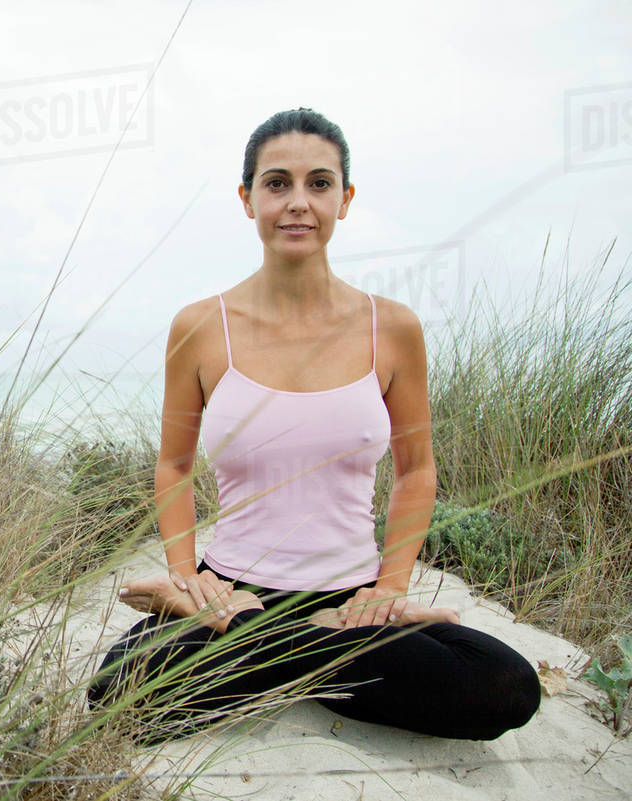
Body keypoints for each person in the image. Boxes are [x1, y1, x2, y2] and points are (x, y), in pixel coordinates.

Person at [87, 108, 540, 744]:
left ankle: (280, 654)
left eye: (319, 183)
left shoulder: (394, 327)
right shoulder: (198, 326)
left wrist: (390, 589)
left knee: (506, 686)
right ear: (247, 199)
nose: (298, 203)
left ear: (344, 199)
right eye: (277, 183)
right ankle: (309, 655)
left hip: (350, 599)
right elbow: (174, 466)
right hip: (230, 592)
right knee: (117, 693)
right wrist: (189, 580)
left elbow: (417, 470)